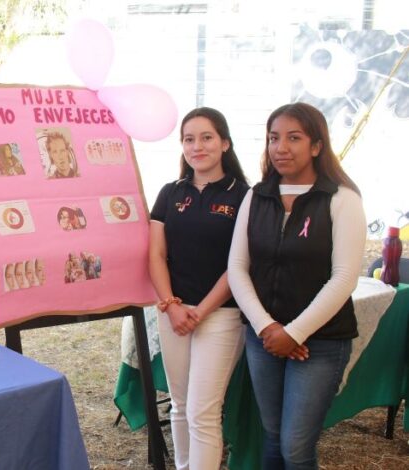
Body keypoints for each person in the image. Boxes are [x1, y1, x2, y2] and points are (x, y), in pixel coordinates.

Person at [228, 102, 366, 469]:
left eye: (294, 138)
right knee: (272, 437)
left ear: (317, 145)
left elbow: (344, 278)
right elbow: (238, 268)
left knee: (295, 447)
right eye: (274, 138)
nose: (281, 147)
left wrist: (296, 332)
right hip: (264, 339)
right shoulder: (255, 197)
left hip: (319, 343)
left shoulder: (341, 199)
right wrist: (268, 328)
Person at [149, 107, 249, 469]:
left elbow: (238, 264)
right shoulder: (169, 193)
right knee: (179, 404)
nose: (197, 146)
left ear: (224, 143)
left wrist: (200, 311)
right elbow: (156, 255)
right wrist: (172, 305)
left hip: (221, 315)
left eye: (206, 137)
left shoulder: (244, 196)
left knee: (202, 411)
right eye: (189, 139)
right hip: (172, 313)